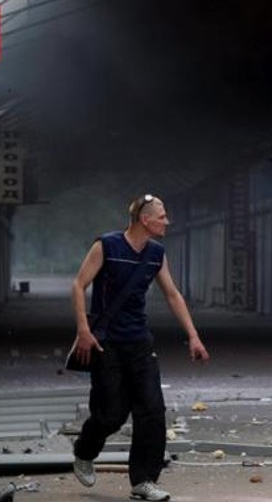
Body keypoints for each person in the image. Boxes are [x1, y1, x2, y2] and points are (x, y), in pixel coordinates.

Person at [70, 194, 209, 502]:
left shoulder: (156, 253)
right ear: (145, 220)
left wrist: (193, 336)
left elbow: (172, 294)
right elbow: (79, 285)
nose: (167, 222)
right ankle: (84, 450)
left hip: (139, 343)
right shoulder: (106, 246)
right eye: (162, 216)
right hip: (105, 343)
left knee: (152, 411)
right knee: (111, 415)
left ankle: (143, 481)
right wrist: (83, 330)